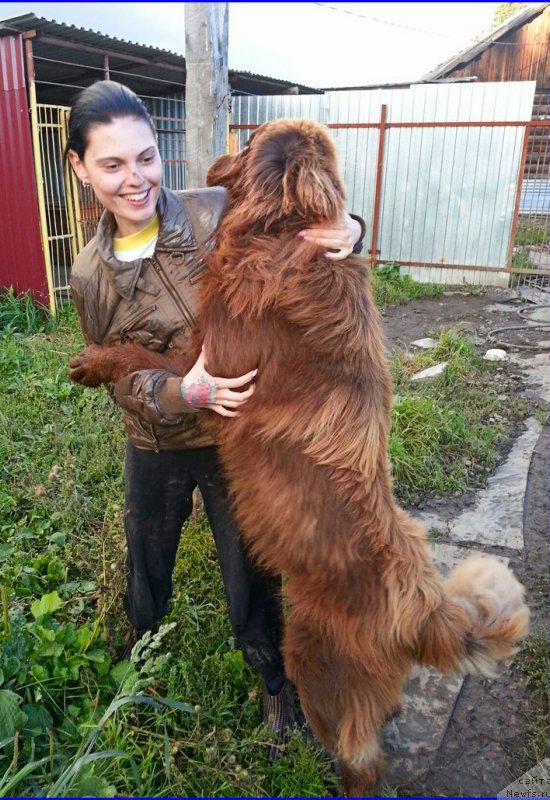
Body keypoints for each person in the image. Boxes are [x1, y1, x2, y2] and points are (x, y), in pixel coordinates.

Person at [64, 80, 366, 760]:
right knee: (147, 563)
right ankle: (137, 669)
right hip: (157, 442)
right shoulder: (87, 274)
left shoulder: (213, 210)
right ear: (80, 168)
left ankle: (272, 682)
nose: (134, 178)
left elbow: (308, 218)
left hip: (238, 441)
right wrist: (181, 392)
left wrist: (349, 228)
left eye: (145, 157)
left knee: (250, 575)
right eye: (111, 164)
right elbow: (123, 383)